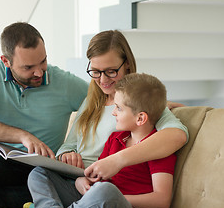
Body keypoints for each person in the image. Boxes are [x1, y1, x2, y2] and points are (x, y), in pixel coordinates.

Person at [0, 22, 88, 208]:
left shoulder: (66, 84)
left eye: (43, 61)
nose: (39, 72)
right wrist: (23, 136)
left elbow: (109, 102)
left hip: (33, 173)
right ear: (6, 61)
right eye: (28, 67)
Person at [28, 73, 178, 208]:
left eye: (119, 108)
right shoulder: (115, 138)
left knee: (107, 192)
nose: (113, 112)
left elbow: (162, 200)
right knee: (39, 172)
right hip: (95, 202)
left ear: (140, 118)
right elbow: (96, 177)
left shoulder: (157, 149)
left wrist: (119, 198)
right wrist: (81, 181)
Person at [56, 30, 188, 177]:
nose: (103, 80)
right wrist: (66, 154)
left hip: (103, 182)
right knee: (38, 173)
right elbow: (68, 146)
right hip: (76, 177)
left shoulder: (142, 101)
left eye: (111, 71)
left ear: (127, 65)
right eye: (95, 72)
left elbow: (178, 136)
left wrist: (117, 160)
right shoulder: (90, 101)